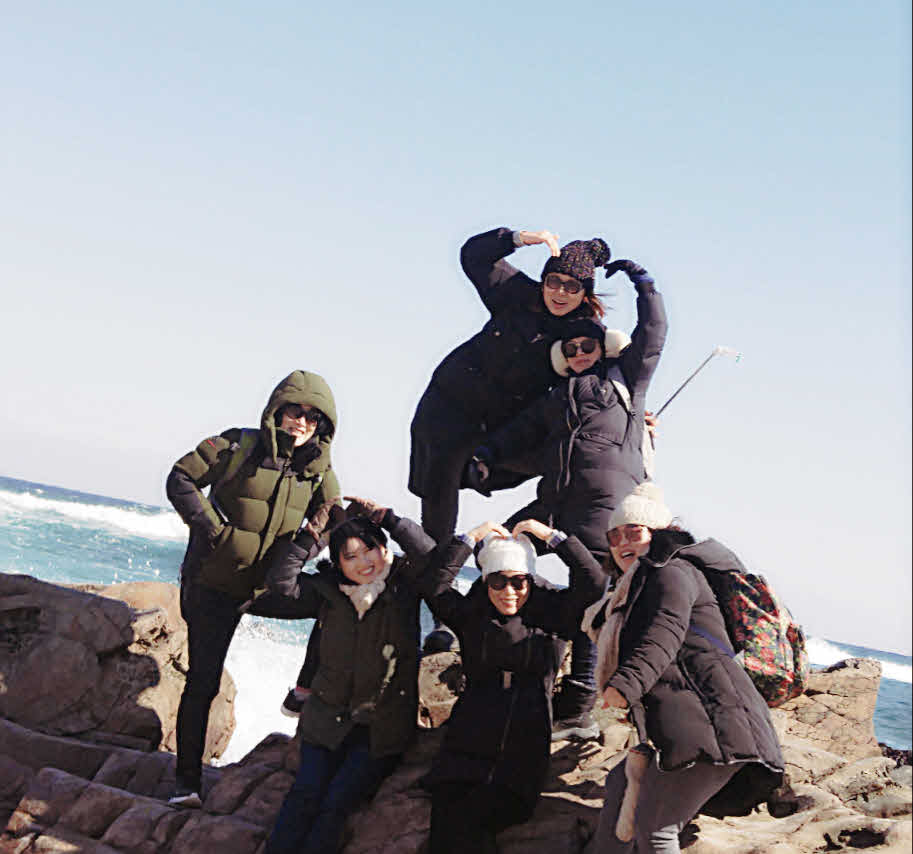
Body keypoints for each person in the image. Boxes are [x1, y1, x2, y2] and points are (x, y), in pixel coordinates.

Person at [466, 258, 667, 739]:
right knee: (500, 550)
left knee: (591, 594)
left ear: (602, 348)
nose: (578, 353)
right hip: (555, 502)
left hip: (603, 506)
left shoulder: (627, 380)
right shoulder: (557, 397)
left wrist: (644, 285)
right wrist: (485, 455)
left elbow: (654, 333)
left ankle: (577, 704)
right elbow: (519, 431)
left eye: (587, 346)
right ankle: (495, 644)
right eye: (570, 347)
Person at [409, 225, 614, 651]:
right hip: (450, 410)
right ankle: (441, 621)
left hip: (502, 432)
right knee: (439, 503)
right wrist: (519, 238)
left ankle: (517, 546)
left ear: (585, 292)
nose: (559, 293)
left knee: (567, 464)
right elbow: (473, 256)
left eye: (571, 286)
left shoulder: (584, 330)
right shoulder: (517, 294)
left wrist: (634, 412)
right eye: (553, 281)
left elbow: (607, 373)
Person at [165, 369, 341, 807]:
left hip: (264, 588)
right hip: (213, 585)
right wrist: (213, 530)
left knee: (335, 600)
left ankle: (302, 691)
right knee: (203, 683)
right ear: (276, 410)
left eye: (312, 417)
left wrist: (303, 550)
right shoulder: (237, 445)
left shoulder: (318, 470)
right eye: (294, 411)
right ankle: (186, 784)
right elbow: (181, 478)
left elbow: (334, 519)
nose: (301, 422)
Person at [258, 504, 473, 854]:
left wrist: (391, 520)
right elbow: (281, 581)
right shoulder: (327, 592)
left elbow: (434, 558)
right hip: (326, 719)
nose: (364, 562)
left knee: (336, 801)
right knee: (305, 794)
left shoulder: (404, 586)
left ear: (384, 549)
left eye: (370, 548)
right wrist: (313, 535)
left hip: (381, 727)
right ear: (338, 563)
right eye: (350, 556)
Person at [583, 483, 784, 853]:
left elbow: (664, 633)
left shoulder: (671, 572)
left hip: (715, 726)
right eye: (614, 535)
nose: (623, 541)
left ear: (658, 532)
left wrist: (623, 686)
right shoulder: (634, 588)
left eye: (634, 531)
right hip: (690, 725)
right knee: (620, 786)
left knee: (657, 829)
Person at [420, 518, 606, 854]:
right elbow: (434, 585)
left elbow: (595, 582)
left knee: (480, 818)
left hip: (522, 748)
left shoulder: (554, 616)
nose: (509, 592)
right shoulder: (472, 615)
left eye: (519, 581)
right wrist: (471, 537)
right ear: (486, 582)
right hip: (467, 744)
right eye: (498, 581)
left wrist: (551, 536)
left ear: (530, 579)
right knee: (447, 820)